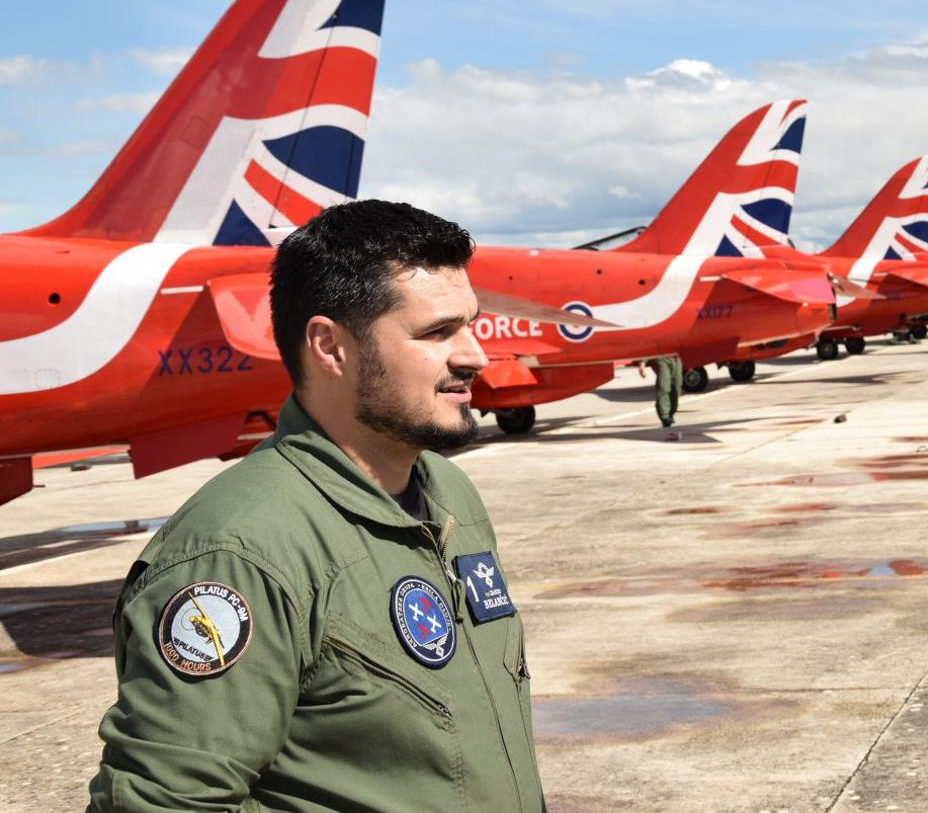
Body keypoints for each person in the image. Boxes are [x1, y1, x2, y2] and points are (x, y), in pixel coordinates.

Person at [88, 201, 545, 812]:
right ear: (330, 347)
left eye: (470, 325)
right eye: (437, 333)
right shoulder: (240, 551)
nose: (474, 356)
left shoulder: (446, 491)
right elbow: (166, 801)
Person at [639, 354, 682, 438]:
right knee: (663, 387)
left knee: (676, 388)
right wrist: (643, 362)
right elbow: (650, 346)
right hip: (662, 358)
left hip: (676, 359)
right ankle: (664, 416)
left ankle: (670, 414)